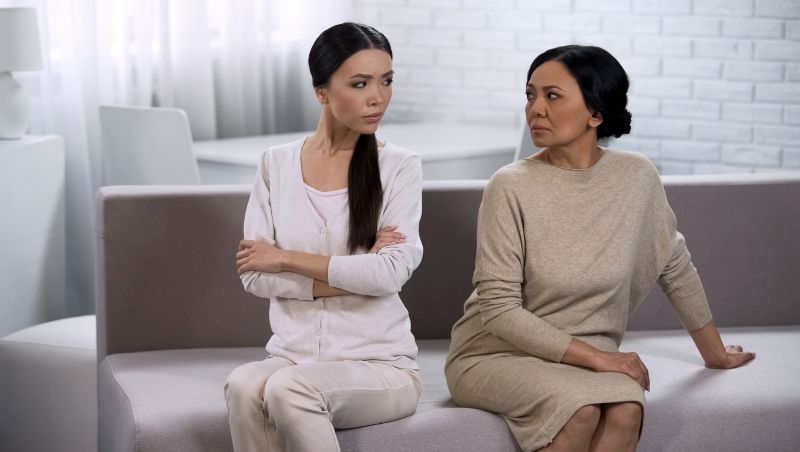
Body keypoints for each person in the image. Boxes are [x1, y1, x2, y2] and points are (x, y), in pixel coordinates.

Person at [444, 45, 756, 452]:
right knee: (581, 411)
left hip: (587, 355)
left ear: (595, 113)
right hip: (494, 355)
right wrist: (599, 358)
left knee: (626, 410)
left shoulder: (637, 176)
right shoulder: (509, 185)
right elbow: (499, 311)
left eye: (552, 96)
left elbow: (674, 266)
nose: (536, 109)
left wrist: (715, 354)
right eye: (530, 95)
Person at [225, 22, 423, 452]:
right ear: (321, 92)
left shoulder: (399, 167)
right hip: (292, 356)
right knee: (242, 385)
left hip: (379, 366)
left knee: (289, 389)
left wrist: (284, 258)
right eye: (360, 83)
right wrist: (357, 272)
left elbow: (390, 274)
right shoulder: (275, 165)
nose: (378, 97)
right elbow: (254, 275)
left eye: (387, 81)